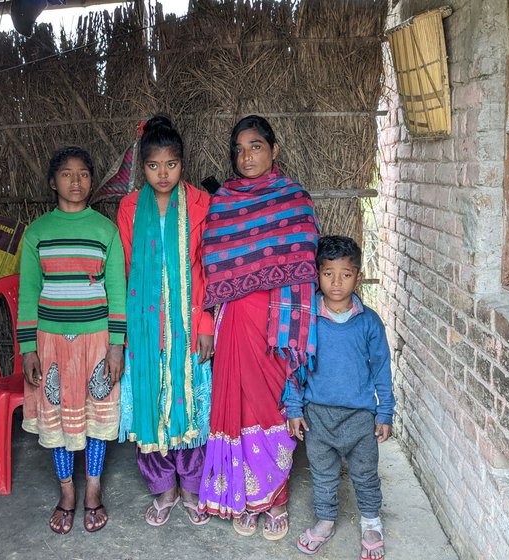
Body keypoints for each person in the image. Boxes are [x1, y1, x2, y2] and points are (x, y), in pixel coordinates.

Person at [198, 115, 320, 540]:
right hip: (234, 319)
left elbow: (305, 260)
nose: (246, 156)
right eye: (240, 150)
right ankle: (246, 499)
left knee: (273, 405)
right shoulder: (224, 201)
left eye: (255, 147)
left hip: (276, 322)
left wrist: (287, 322)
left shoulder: (294, 199)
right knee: (239, 406)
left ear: (274, 150)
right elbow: (212, 259)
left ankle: (277, 499)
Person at [17, 146, 126, 534]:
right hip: (51, 344)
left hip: (96, 342)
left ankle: (93, 489)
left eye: (83, 174)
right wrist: (27, 348)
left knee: (96, 417)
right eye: (66, 173)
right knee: (59, 417)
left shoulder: (105, 230)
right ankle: (67, 493)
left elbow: (116, 289)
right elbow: (28, 293)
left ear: (91, 181)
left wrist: (116, 345)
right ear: (53, 181)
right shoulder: (38, 233)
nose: (75, 181)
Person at [117, 115, 214, 527]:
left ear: (182, 164)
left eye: (170, 165)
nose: (163, 174)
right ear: (142, 167)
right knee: (149, 404)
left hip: (188, 326)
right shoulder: (127, 208)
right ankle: (164, 489)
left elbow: (209, 267)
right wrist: (122, 336)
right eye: (154, 166)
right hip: (144, 327)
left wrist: (207, 325)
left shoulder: (199, 204)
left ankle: (191, 488)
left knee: (189, 406)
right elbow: (122, 270)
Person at [285, 235, 394, 559]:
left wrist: (384, 412)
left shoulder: (369, 322)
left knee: (365, 474)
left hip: (360, 418)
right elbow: (294, 364)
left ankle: (371, 521)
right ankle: (326, 519)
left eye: (345, 274)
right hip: (317, 414)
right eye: (328, 273)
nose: (336, 282)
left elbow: (382, 368)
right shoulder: (306, 320)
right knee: (323, 474)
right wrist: (294, 406)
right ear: (317, 274)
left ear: (358, 277)